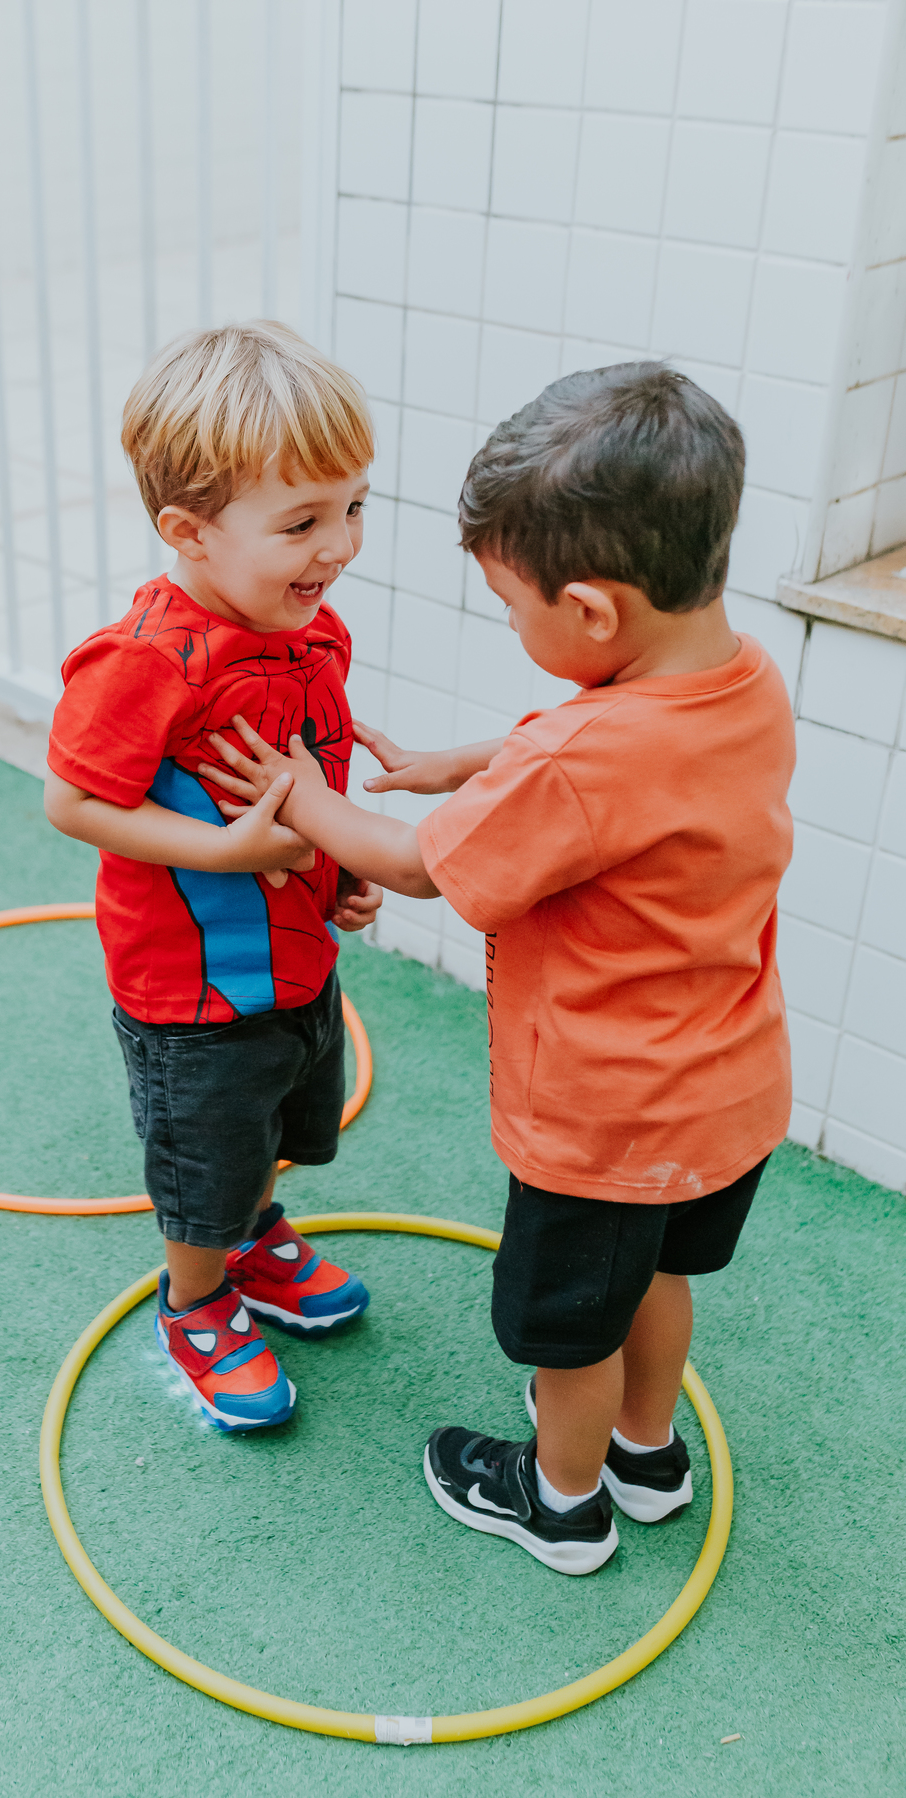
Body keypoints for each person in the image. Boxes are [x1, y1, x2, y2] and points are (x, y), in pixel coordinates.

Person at [203, 363, 794, 1571]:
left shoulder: (580, 766)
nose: (515, 630)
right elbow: (595, 757)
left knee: (568, 1329)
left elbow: (418, 866)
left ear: (589, 614)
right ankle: (648, 1453)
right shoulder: (745, 680)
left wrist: (307, 798)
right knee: (659, 1280)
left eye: (512, 608)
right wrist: (465, 762)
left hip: (602, 1121)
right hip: (726, 1094)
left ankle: (559, 1500)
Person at [44, 321, 381, 1433]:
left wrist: (334, 879)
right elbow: (73, 801)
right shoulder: (146, 660)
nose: (339, 545)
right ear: (188, 531)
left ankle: (256, 1228)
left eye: (352, 508)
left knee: (282, 1119)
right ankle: (198, 1300)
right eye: (302, 522)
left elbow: (304, 769)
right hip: (192, 991)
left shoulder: (307, 630)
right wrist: (230, 854)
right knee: (205, 1153)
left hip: (297, 960)